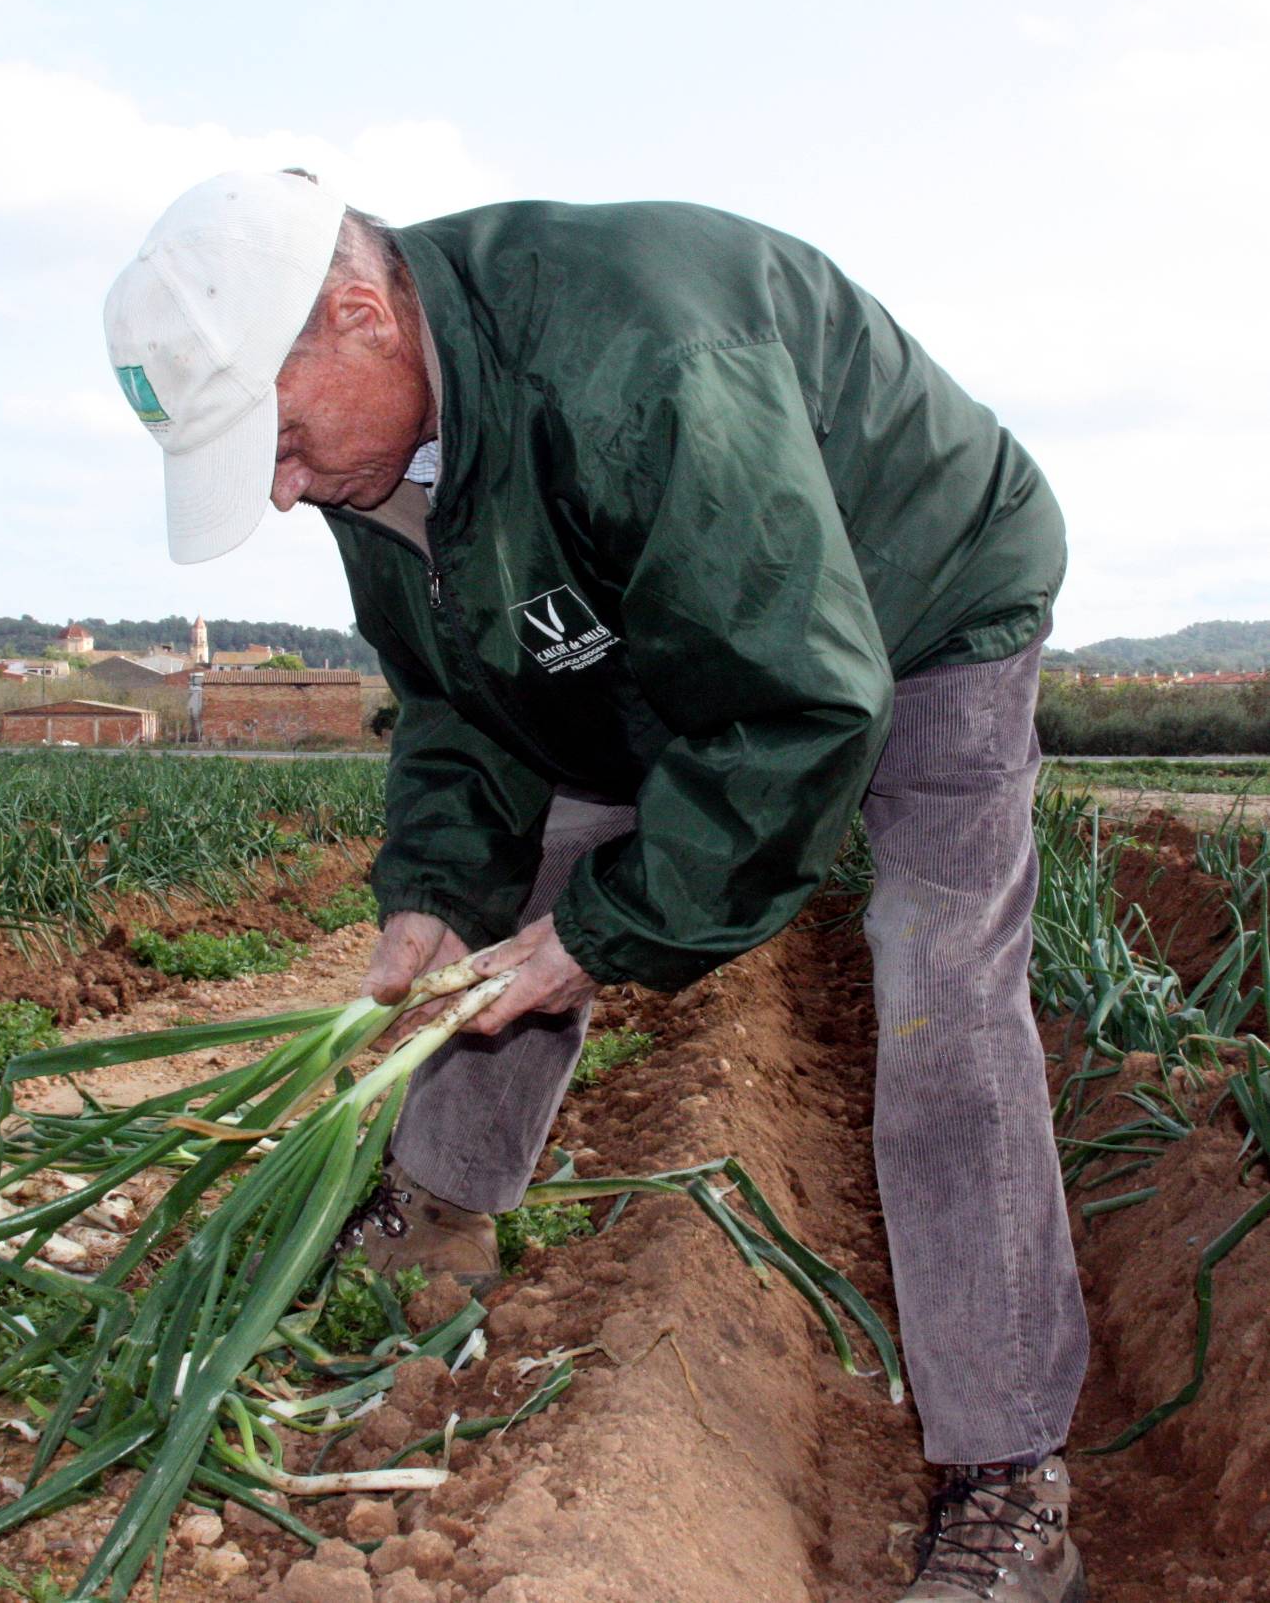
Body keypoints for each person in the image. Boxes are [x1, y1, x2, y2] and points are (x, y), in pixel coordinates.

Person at [104, 169, 1090, 1603]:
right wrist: (435, 889)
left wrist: (611, 932)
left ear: (360, 318)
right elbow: (460, 703)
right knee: (515, 900)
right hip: (677, 626)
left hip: (917, 602)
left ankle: (1008, 1478)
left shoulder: (646, 371)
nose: (280, 484)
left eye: (278, 437)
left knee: (944, 996)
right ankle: (436, 1217)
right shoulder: (370, 452)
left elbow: (798, 703)